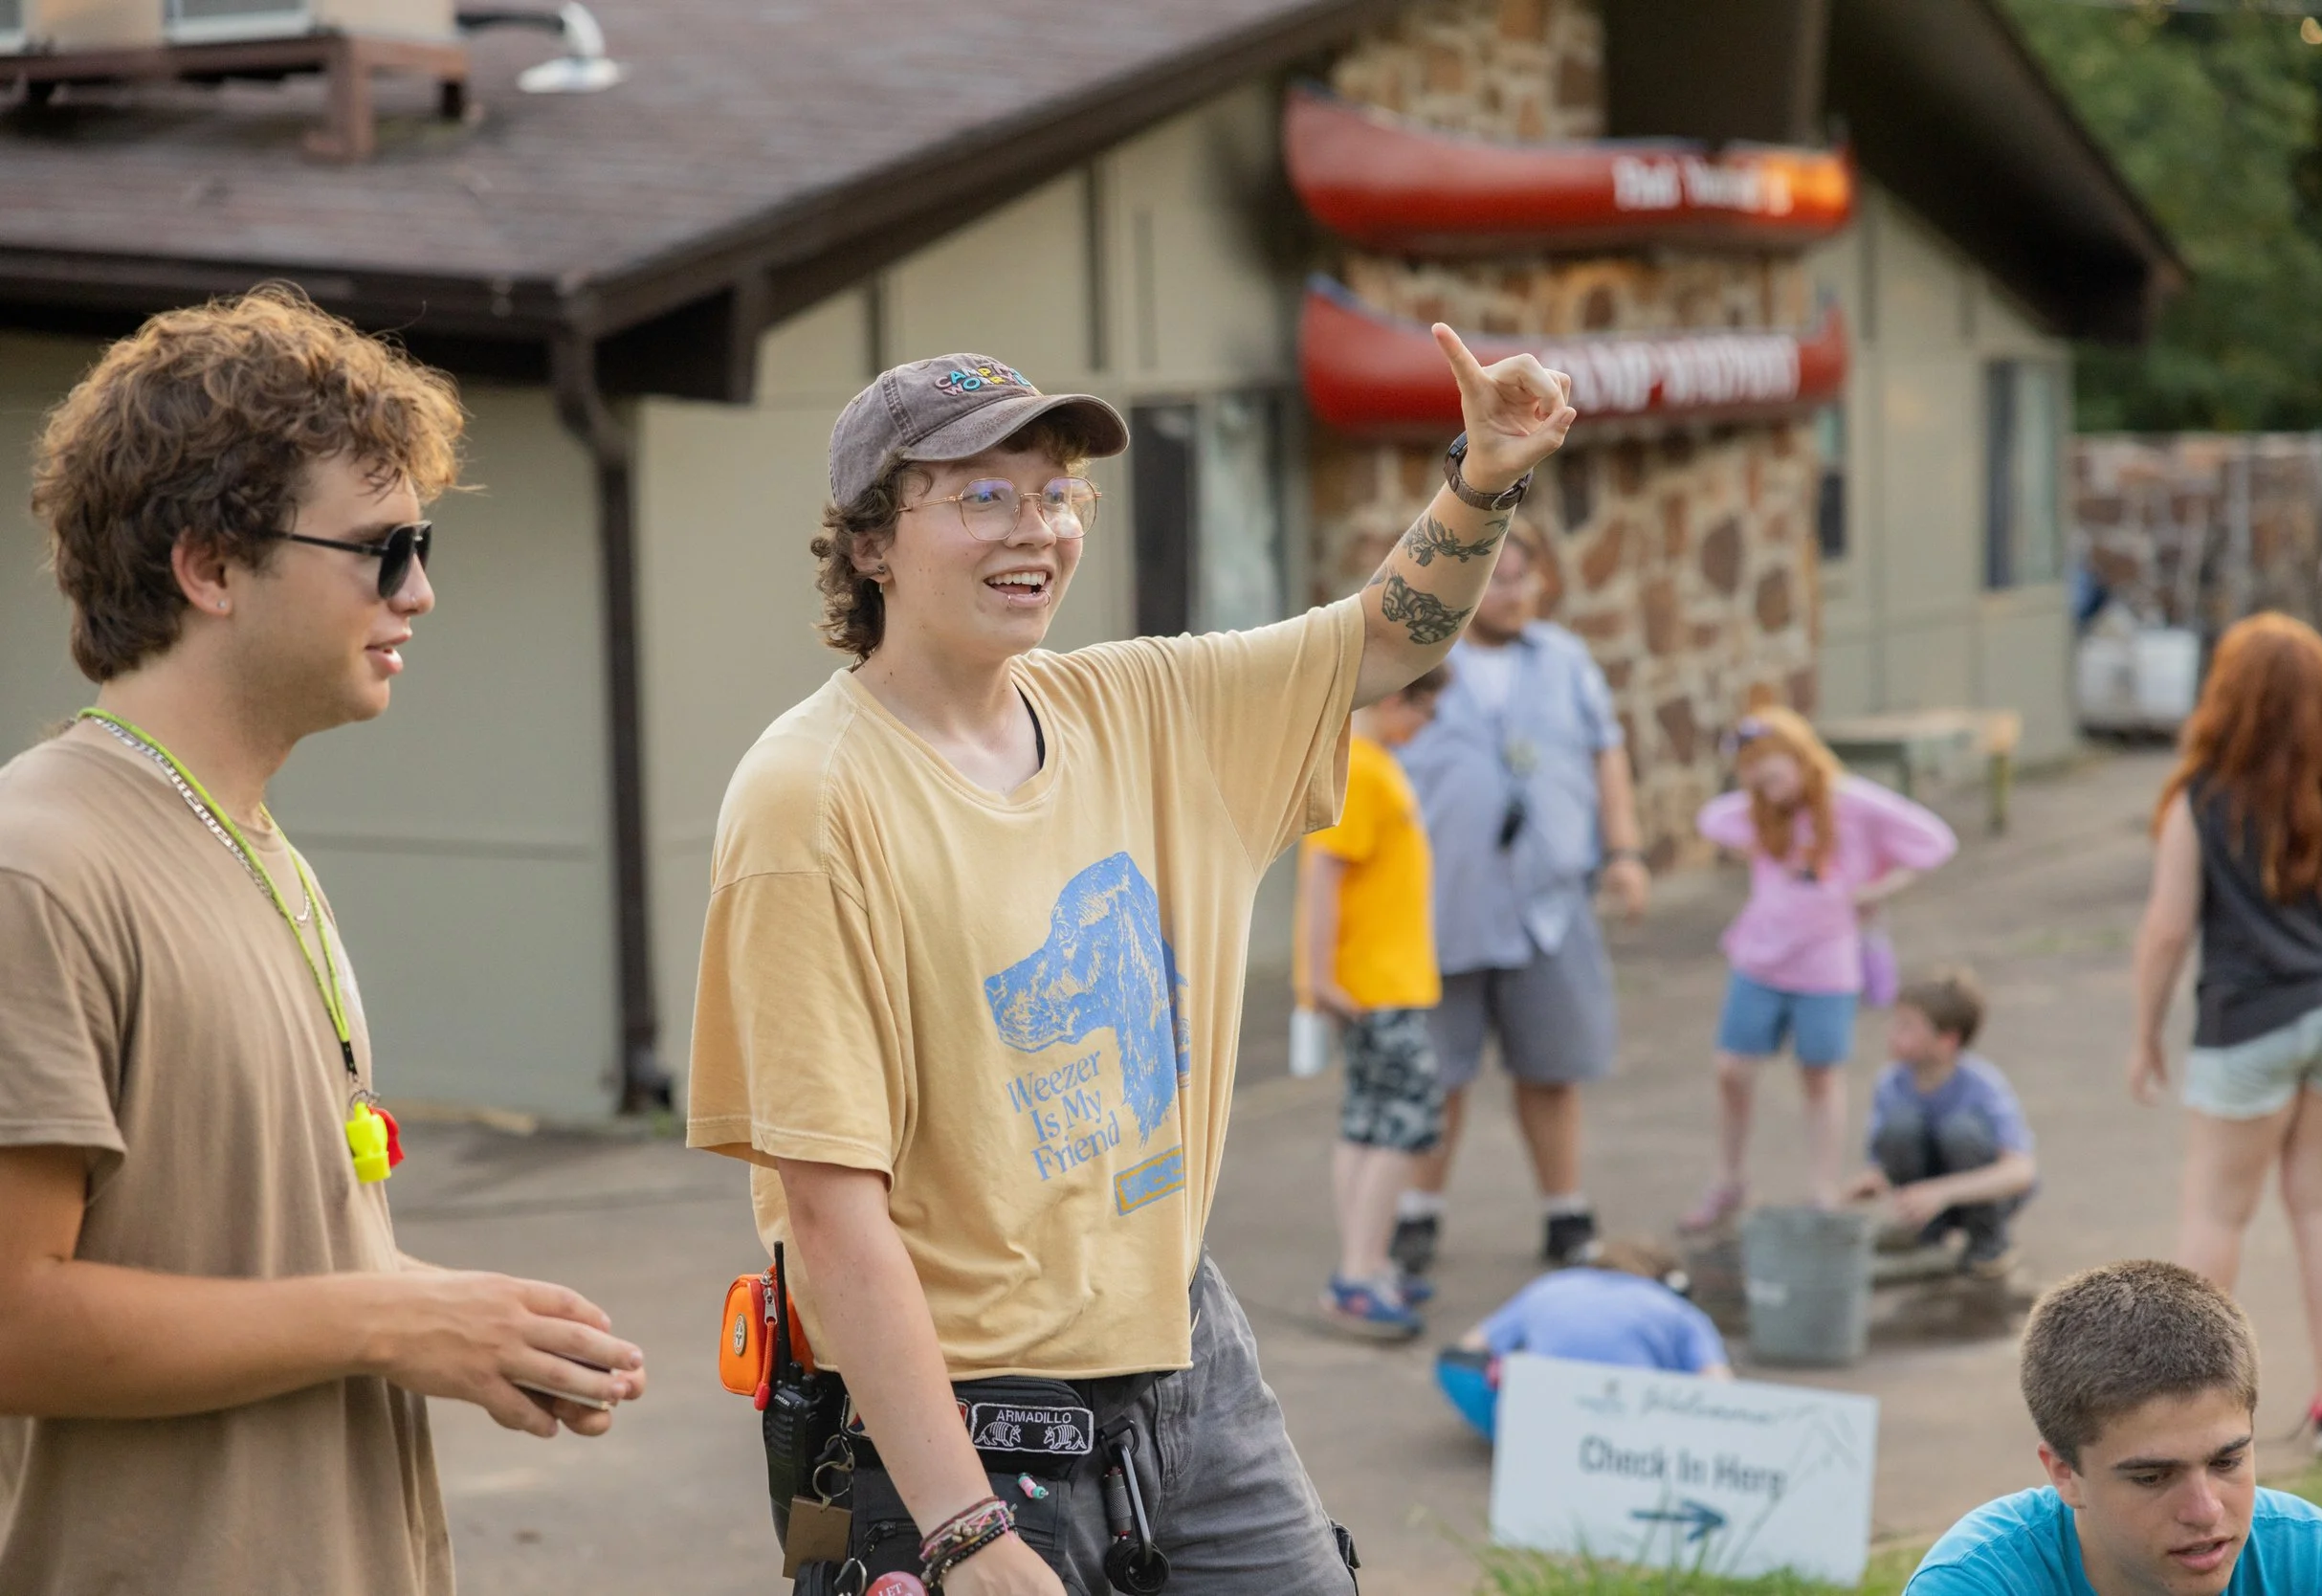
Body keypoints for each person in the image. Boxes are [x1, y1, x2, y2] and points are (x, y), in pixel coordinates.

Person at [684, 332, 1577, 1594]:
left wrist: (1484, 477)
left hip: (1187, 1361)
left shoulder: (1143, 709)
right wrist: (963, 1530)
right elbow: (831, 1218)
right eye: (982, 494)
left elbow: (1386, 641)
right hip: (965, 1415)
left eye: (1055, 493)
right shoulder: (809, 802)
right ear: (872, 539)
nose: (1034, 529)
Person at [0, 287, 649, 1596]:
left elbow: (239, 1260)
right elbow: (13, 1317)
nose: (419, 593)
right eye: (382, 549)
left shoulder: (256, 848)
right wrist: (390, 1318)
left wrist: (466, 1326)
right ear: (210, 566)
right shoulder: (40, 867)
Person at [2130, 611, 2322, 1455]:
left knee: (2217, 1211)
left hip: (2248, 1022)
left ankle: (2192, 1409)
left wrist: (2146, 1034)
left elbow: (2168, 929)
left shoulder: (2199, 801)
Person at [1390, 527, 1649, 1275]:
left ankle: (1565, 1211)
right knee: (1439, 1075)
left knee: (1552, 1066)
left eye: (1518, 579)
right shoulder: (1419, 659)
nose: (1506, 593)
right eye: (1491, 578)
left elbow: (1608, 752)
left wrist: (1625, 853)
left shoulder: (1564, 661)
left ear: (1538, 583)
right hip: (1447, 905)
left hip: (1549, 904)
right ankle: (1418, 1213)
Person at [1905, 1259, 2322, 1594]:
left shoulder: (2311, 1560)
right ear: (2064, 1474)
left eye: (2227, 1461)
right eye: (2152, 1477)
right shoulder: (1975, 1583)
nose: (2204, 1511)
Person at [1683, 707, 1957, 1227]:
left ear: (1802, 757)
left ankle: (1821, 1188)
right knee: (1732, 1069)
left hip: (1826, 965)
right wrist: (1763, 793)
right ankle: (1728, 1178)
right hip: (1760, 957)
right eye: (1754, 780)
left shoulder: (1850, 803)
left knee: (1820, 1075)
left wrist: (1874, 887)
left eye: (1774, 773)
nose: (1766, 790)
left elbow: (1935, 841)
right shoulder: (1762, 813)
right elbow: (1712, 819)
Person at [1297, 665, 1450, 1341]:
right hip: (1376, 986)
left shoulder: (1370, 764)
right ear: (1395, 699)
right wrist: (1320, 975)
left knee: (1367, 1120)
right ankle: (1358, 1274)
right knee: (1401, 1122)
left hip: (1380, 982)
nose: (1428, 724)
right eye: (1425, 708)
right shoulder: (1363, 768)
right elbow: (1323, 879)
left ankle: (1368, 1262)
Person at [1433, 1238, 1730, 1442]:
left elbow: (1468, 1348)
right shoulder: (1681, 1311)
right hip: (1636, 1424)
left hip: (1544, 1415)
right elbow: (1719, 1389)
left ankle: (1519, 1432)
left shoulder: (1551, 1286)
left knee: (1460, 1367)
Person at [1846, 966, 2037, 1279]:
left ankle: (1989, 1245)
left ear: (1947, 1040)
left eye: (1906, 1026)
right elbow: (1882, 1155)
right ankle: (1925, 1236)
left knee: (1961, 1131)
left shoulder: (1983, 1085)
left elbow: (2021, 1172)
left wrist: (1942, 1192)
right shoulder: (1890, 1083)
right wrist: (1872, 1178)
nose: (1891, 1033)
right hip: (1926, 1198)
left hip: (1972, 1193)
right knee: (1899, 1124)